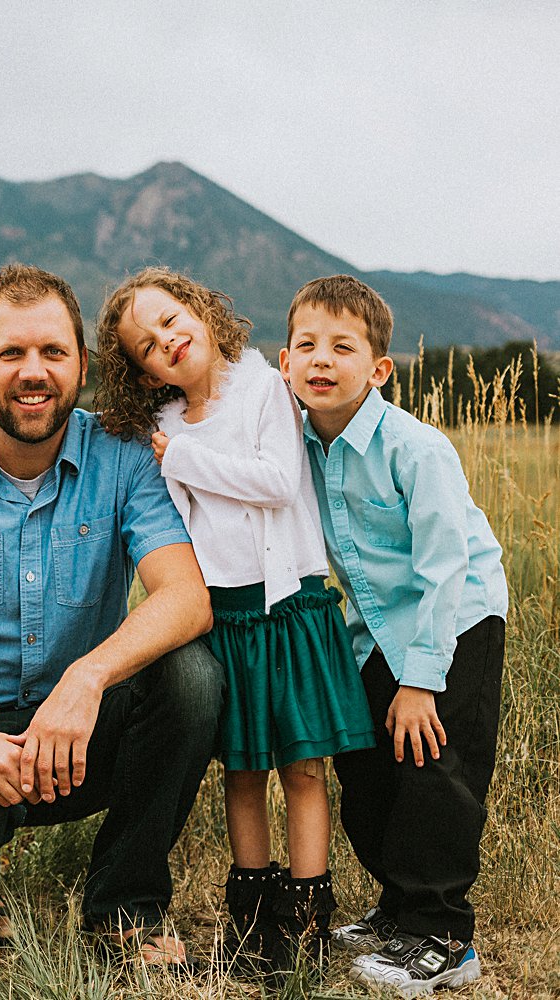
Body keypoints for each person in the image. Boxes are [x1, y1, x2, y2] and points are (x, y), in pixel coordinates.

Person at [0, 263, 223, 967]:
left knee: (193, 677)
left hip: (82, 735)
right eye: (12, 353)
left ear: (82, 365)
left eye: (53, 353)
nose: (34, 372)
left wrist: (87, 680)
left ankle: (124, 907)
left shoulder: (126, 455)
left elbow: (187, 598)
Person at [94, 267, 376, 971]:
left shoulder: (262, 389)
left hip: (289, 605)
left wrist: (186, 458)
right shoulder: (160, 426)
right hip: (225, 618)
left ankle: (305, 928)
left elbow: (278, 483)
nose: (167, 341)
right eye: (147, 346)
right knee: (243, 772)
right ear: (141, 371)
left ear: (199, 308)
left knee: (303, 767)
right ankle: (253, 927)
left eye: (170, 319)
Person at [281, 275, 507, 996]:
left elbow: (446, 568)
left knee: (433, 768)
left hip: (456, 620)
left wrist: (421, 680)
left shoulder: (416, 448)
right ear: (284, 363)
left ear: (378, 370)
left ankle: (444, 935)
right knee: (368, 767)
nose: (322, 359)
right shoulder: (296, 444)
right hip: (377, 626)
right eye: (306, 345)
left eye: (342, 347)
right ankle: (398, 908)